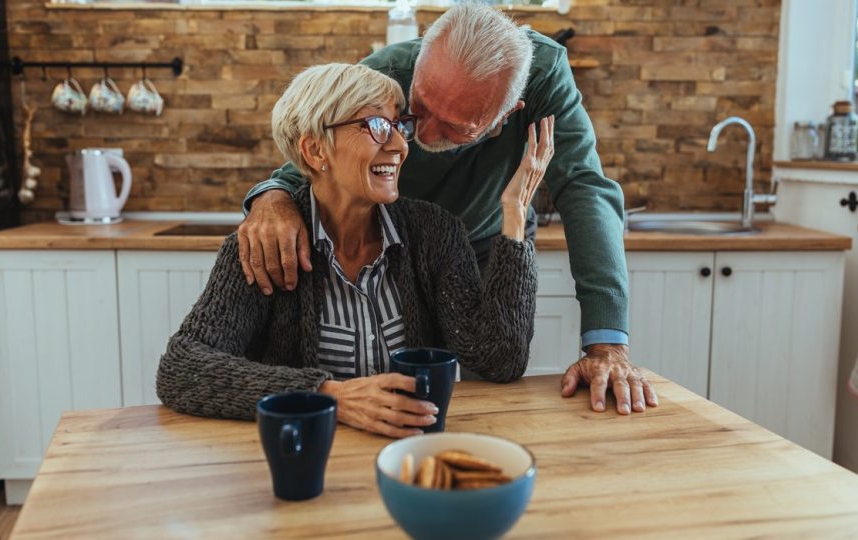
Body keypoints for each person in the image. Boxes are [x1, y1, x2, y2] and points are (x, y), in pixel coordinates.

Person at [238, 3, 658, 414]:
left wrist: (606, 344)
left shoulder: (544, 77)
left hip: (488, 240)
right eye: (417, 108)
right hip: (402, 244)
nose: (417, 135)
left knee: (489, 385)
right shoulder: (386, 73)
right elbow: (312, 153)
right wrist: (272, 196)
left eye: (458, 126)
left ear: (506, 116)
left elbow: (584, 187)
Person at [157, 63, 551, 437]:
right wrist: (330, 396)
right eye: (378, 126)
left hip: (411, 452)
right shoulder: (266, 246)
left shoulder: (434, 233)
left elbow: (499, 359)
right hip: (309, 457)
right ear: (315, 151)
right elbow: (182, 368)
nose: (399, 145)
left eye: (400, 126)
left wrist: (514, 215)